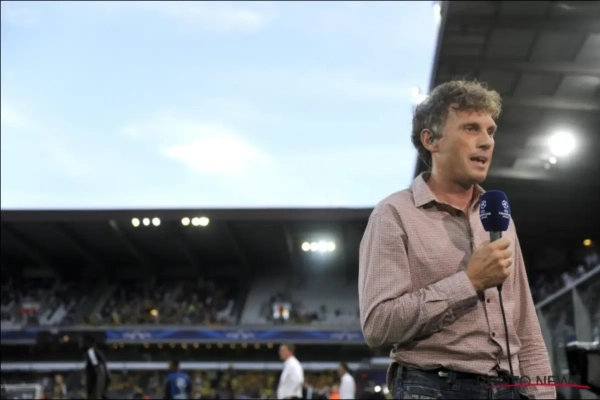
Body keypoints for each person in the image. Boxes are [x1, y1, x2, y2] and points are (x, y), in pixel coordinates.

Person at [358, 80, 554, 399]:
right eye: (471, 128)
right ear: (431, 140)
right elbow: (378, 325)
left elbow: (526, 328)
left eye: (490, 131)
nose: (486, 141)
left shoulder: (500, 216)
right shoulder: (393, 214)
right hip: (432, 386)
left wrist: (543, 394)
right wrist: (468, 282)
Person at [81, 333, 110, 400]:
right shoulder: (97, 352)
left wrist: (98, 393)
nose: (81, 344)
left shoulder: (91, 352)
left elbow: (100, 371)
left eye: (82, 342)